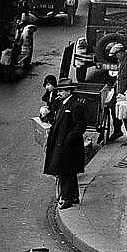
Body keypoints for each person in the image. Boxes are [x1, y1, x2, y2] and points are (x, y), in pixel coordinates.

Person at [44, 79, 86, 209]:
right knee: (69, 172)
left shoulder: (75, 105)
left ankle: (67, 198)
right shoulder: (63, 103)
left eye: (62, 90)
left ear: (69, 91)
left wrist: (68, 139)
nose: (59, 93)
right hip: (62, 143)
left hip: (69, 146)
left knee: (65, 172)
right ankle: (73, 196)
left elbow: (81, 125)